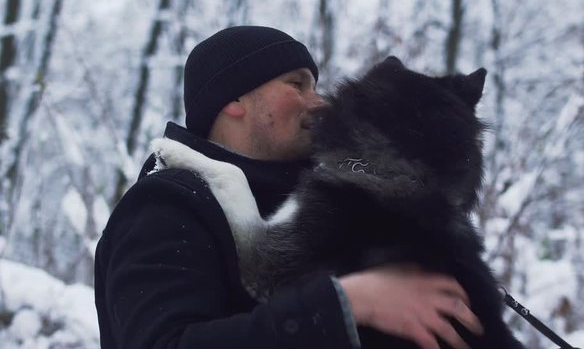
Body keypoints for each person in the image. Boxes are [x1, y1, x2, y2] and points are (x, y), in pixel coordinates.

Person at [94, 26, 484, 349]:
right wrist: (349, 303)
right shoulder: (167, 206)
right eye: (297, 84)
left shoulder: (315, 195)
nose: (319, 103)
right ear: (233, 99)